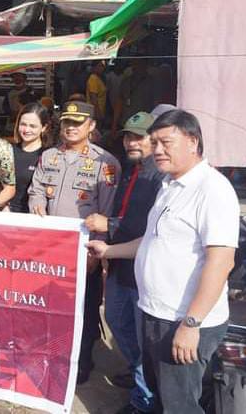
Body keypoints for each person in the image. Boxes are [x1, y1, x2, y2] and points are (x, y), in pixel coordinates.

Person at [88, 110, 238, 414]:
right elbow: (151, 241)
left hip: (182, 320)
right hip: (155, 314)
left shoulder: (212, 190)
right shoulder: (170, 186)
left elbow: (221, 262)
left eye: (166, 142)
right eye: (154, 142)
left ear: (192, 142)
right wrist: (109, 251)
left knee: (179, 405)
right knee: (161, 398)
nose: (157, 150)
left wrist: (191, 324)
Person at [27, 100, 121, 384]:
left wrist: (97, 251)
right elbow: (36, 188)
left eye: (77, 123)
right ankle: (52, 353)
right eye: (67, 122)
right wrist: (37, 202)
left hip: (84, 249)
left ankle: (81, 360)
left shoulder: (105, 162)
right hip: (49, 246)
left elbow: (107, 212)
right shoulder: (48, 156)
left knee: (84, 307)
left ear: (91, 126)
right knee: (49, 304)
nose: (70, 128)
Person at [84, 112, 161, 414]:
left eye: (138, 137)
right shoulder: (131, 170)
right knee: (117, 321)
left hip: (142, 267)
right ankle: (139, 372)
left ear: (155, 139)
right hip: (118, 262)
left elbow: (152, 226)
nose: (131, 142)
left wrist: (110, 226)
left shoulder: (160, 177)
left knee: (140, 334)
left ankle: (144, 400)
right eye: (128, 136)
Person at [9, 103, 52, 213]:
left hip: (36, 215)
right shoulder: (7, 151)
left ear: (44, 127)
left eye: (32, 126)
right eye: (23, 124)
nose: (26, 130)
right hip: (7, 213)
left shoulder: (49, 156)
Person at [86, 61, 107, 125]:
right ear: (94, 67)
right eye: (100, 66)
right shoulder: (93, 78)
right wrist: (98, 113)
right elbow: (93, 98)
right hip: (94, 112)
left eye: (103, 66)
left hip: (99, 110)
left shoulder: (98, 78)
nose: (102, 68)